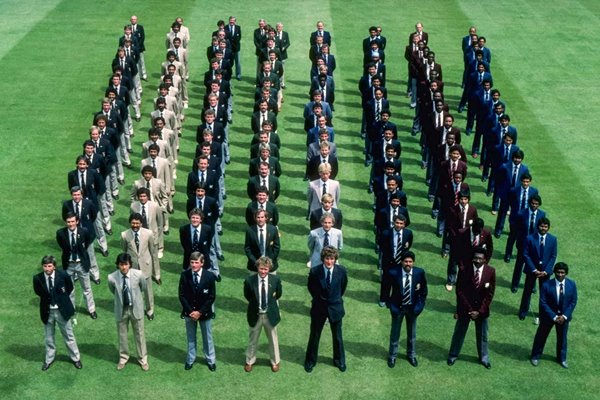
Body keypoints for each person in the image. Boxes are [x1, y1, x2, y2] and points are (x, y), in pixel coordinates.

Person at [447, 247, 496, 369]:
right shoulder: (464, 270)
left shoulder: (491, 271)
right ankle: (453, 355)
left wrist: (479, 311)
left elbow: (489, 294)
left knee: (483, 335)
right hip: (465, 308)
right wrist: (469, 309)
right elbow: (459, 291)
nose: (477, 260)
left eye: (480, 258)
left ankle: (484, 358)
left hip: (482, 311)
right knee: (459, 333)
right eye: (476, 258)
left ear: (485, 260)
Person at [33, 255, 82, 371]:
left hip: (62, 311)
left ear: (54, 266)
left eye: (49, 266)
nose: (47, 268)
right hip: (47, 311)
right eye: (45, 266)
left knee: (69, 335)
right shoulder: (37, 278)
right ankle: (49, 359)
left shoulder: (63, 275)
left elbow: (69, 288)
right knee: (49, 337)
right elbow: (38, 292)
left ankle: (76, 358)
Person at [304, 246, 348, 373]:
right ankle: (310, 361)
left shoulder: (342, 271)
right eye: (327, 258)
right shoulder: (314, 271)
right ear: (323, 259)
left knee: (338, 336)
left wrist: (334, 299)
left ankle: (339, 361)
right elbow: (311, 288)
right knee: (314, 336)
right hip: (319, 308)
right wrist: (319, 299)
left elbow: (342, 288)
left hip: (335, 308)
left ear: (335, 259)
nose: (329, 261)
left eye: (332, 259)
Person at [530, 262, 577, 368]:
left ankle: (562, 358)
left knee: (562, 338)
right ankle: (535, 356)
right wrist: (554, 317)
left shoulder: (572, 284)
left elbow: (573, 301)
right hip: (548, 317)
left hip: (564, 318)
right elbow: (543, 302)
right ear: (554, 272)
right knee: (541, 336)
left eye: (562, 272)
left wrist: (564, 316)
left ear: (566, 273)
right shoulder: (547, 285)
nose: (560, 275)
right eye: (558, 272)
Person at [108, 253, 149, 371]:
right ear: (118, 265)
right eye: (121, 265)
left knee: (140, 335)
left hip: (136, 308)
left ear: (130, 264)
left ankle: (143, 359)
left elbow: (143, 287)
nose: (124, 267)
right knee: (122, 335)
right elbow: (113, 290)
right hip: (121, 310)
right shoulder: (112, 278)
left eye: (126, 264)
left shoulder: (139, 274)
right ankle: (123, 358)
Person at [386, 251, 427, 368]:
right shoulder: (393, 273)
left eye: (410, 261)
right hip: (398, 308)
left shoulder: (419, 273)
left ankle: (411, 355)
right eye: (405, 261)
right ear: (401, 262)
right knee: (395, 334)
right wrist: (391, 306)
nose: (408, 264)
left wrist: (419, 307)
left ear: (413, 262)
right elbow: (386, 290)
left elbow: (423, 291)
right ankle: (392, 356)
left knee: (412, 334)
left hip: (412, 309)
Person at [178, 252, 217, 371]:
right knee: (191, 337)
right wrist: (191, 312)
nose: (194, 265)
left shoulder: (209, 276)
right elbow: (182, 295)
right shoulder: (184, 275)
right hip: (189, 314)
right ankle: (190, 359)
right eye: (192, 262)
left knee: (207, 338)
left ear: (202, 263)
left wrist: (200, 312)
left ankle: (211, 360)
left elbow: (211, 297)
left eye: (196, 262)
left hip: (204, 313)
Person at [243, 256, 282, 373]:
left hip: (270, 315)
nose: (263, 271)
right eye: (261, 269)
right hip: (256, 314)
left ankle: (275, 361)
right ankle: (250, 361)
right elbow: (248, 296)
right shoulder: (250, 281)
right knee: (253, 339)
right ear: (257, 268)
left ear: (269, 268)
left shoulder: (275, 280)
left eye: (266, 269)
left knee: (273, 339)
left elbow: (278, 294)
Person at [55, 212, 97, 319]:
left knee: (87, 288)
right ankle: (71, 308)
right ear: (65, 222)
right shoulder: (61, 233)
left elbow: (86, 244)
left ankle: (91, 309)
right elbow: (62, 246)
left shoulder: (84, 232)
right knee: (69, 289)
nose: (70, 224)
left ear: (77, 222)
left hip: (81, 264)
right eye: (68, 222)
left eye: (73, 221)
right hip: (68, 265)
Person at [120, 213, 158, 320]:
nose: (135, 225)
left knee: (148, 291)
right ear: (130, 223)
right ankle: (137, 309)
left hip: (146, 266)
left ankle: (150, 310)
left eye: (137, 223)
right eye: (133, 223)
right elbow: (124, 252)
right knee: (134, 290)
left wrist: (156, 272)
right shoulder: (124, 235)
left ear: (141, 223)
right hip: (133, 269)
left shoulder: (148, 233)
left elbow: (153, 252)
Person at [518, 217, 558, 320]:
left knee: (544, 294)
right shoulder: (529, 238)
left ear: (548, 227)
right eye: (541, 226)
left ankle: (542, 313)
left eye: (545, 226)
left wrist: (546, 271)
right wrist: (534, 269)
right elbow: (526, 254)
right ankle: (523, 311)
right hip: (532, 270)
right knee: (527, 291)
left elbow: (553, 256)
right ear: (537, 226)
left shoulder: (553, 239)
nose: (543, 228)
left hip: (545, 272)